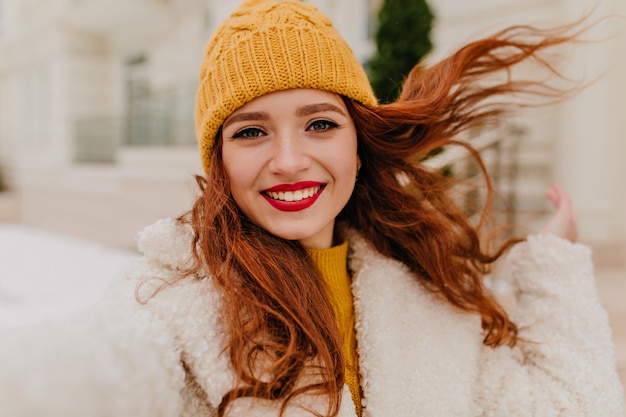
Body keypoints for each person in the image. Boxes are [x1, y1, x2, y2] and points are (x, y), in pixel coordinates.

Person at [0, 0, 623, 416]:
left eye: (320, 123)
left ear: (358, 144)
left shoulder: (428, 292)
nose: (290, 160)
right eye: (250, 132)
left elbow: (577, 402)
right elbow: (92, 374)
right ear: (218, 160)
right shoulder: (169, 301)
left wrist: (555, 265)